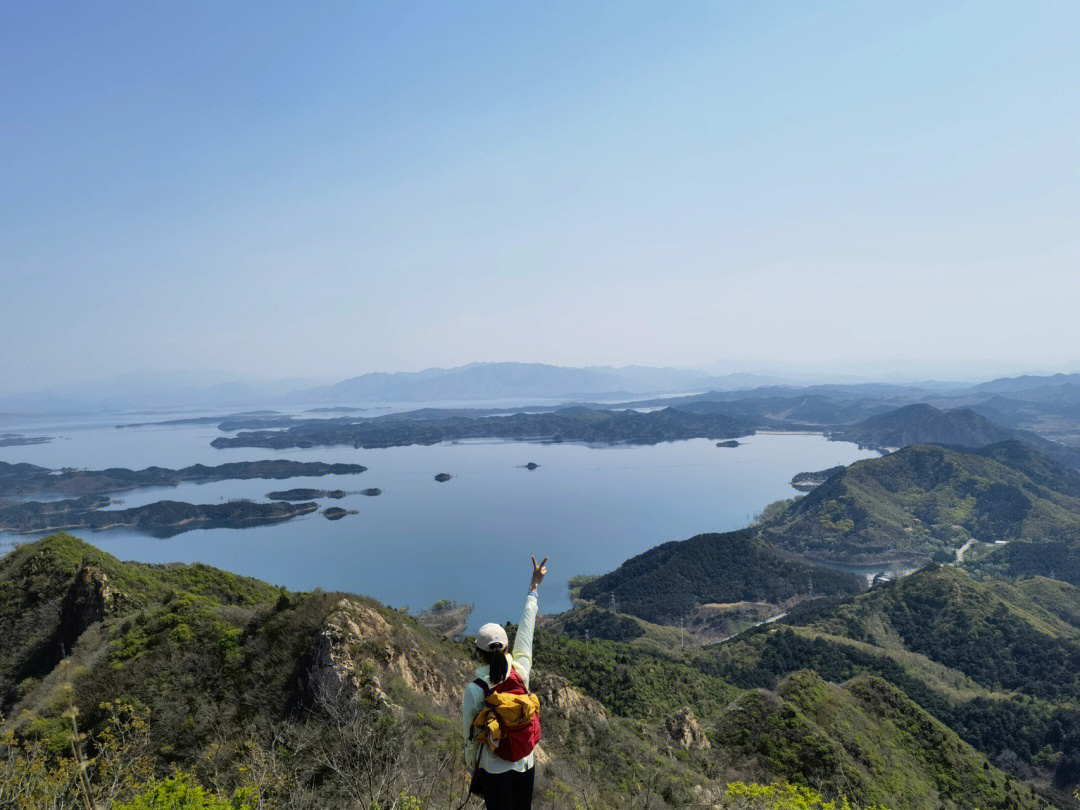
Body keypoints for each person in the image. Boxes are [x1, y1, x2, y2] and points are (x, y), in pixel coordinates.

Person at [462, 555, 547, 810]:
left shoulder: (475, 690)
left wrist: (472, 767)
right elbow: (526, 631)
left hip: (494, 767)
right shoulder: (520, 671)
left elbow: (471, 735)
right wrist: (534, 587)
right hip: (525, 762)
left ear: (479, 653)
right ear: (507, 647)